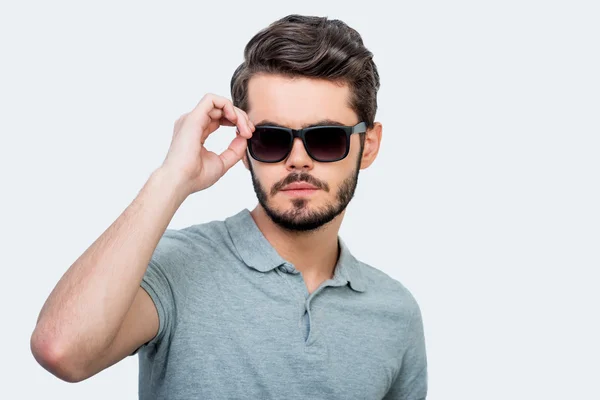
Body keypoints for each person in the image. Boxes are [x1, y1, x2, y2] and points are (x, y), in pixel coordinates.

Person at [30, 14, 428, 400]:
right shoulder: (174, 267)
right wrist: (171, 178)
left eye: (326, 138)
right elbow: (61, 352)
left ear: (368, 146)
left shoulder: (395, 312)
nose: (298, 160)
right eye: (272, 139)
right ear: (245, 146)